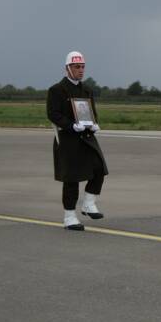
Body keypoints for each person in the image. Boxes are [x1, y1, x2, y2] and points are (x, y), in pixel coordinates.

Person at [47, 51, 108, 231]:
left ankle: (88, 203)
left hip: (87, 137)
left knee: (99, 169)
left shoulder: (87, 90)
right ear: (67, 68)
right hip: (67, 139)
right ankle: (69, 217)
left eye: (82, 67)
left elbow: (91, 112)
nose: (80, 70)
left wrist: (94, 123)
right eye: (76, 67)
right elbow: (53, 114)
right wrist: (71, 125)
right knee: (72, 179)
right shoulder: (56, 90)